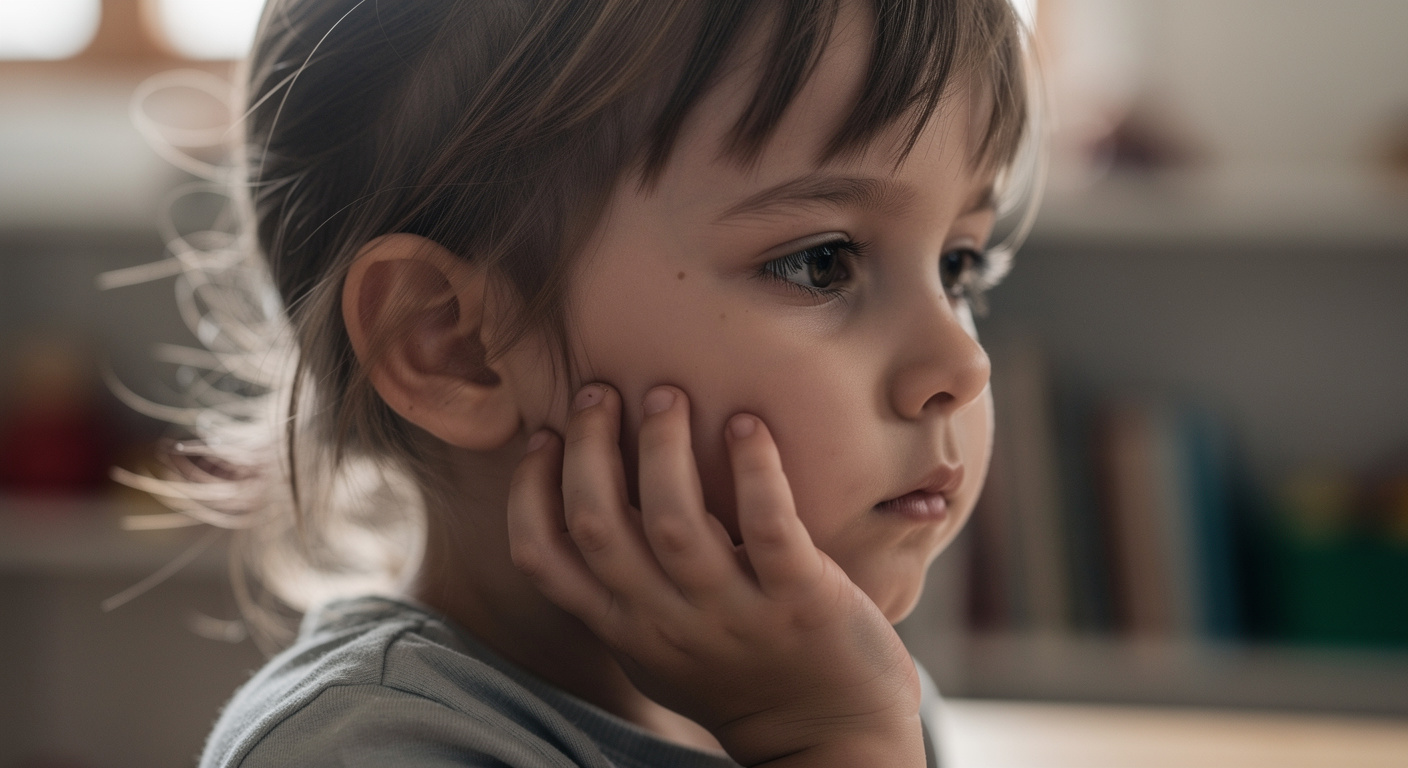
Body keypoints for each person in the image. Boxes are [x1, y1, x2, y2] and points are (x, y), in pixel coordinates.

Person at [175, 0, 1033, 765]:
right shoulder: (359, 749)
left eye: (960, 265)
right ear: (453, 347)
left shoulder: (841, 679)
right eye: (821, 263)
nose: (962, 365)